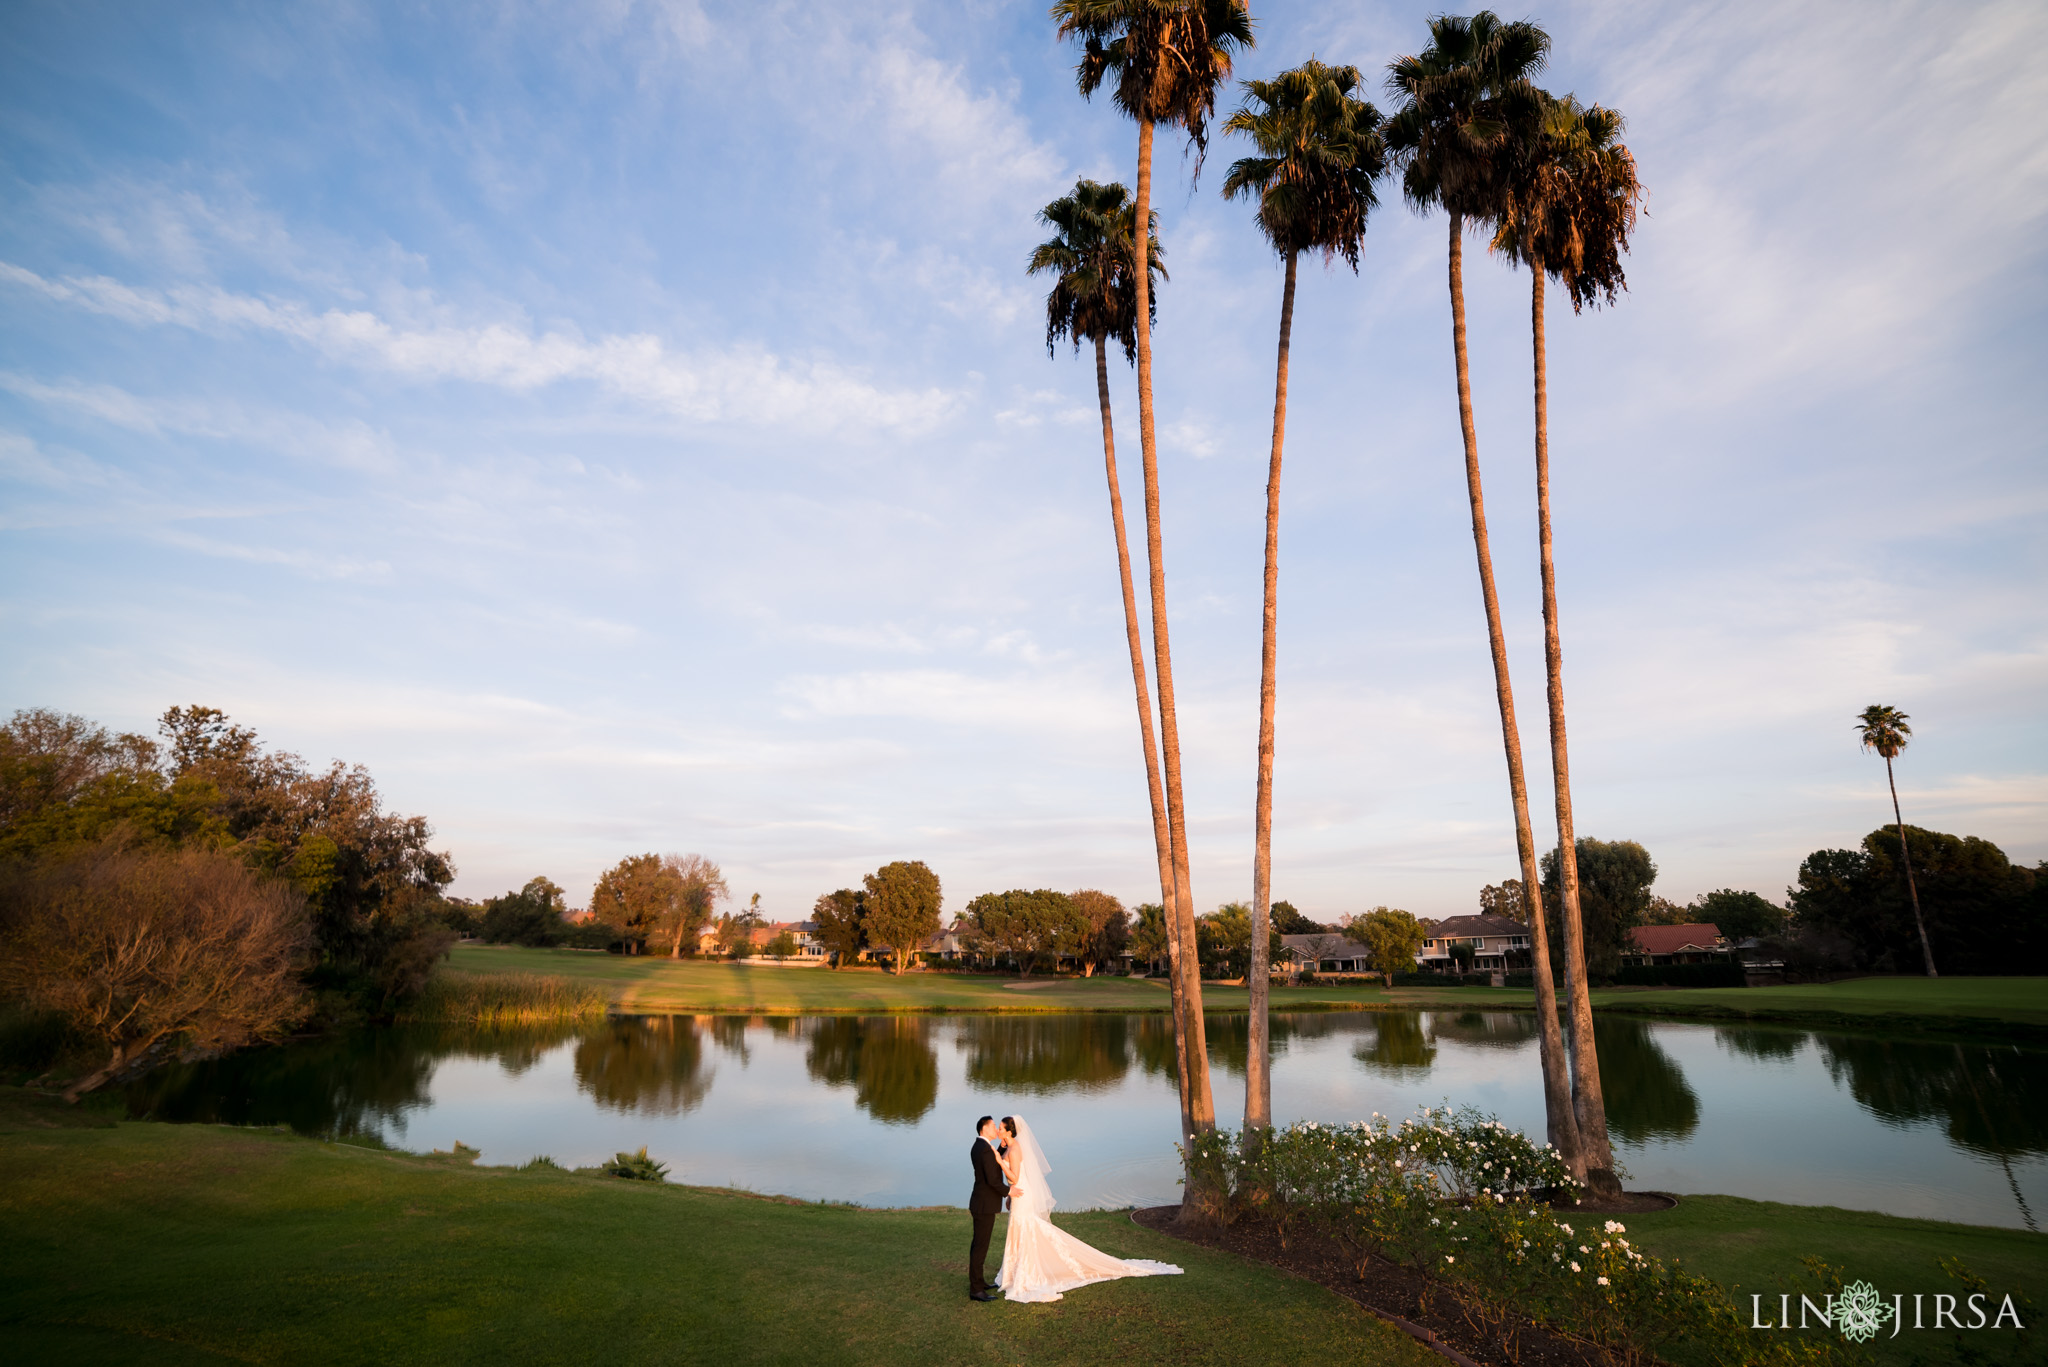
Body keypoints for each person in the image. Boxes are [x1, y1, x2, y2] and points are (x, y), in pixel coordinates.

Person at [992, 1114, 1181, 1303]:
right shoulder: (1009, 1146)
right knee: (1021, 1230)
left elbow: (1014, 1179)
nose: (998, 1131)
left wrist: (1001, 1163)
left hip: (1021, 1194)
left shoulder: (1015, 1149)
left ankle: (1026, 1274)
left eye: (1001, 1128)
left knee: (1026, 1230)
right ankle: (1016, 1272)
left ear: (1009, 1131)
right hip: (1018, 1195)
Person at [967, 1115, 1014, 1301]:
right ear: (984, 1128)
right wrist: (1010, 1191)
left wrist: (1002, 1145)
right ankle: (976, 1290)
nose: (996, 1128)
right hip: (983, 1205)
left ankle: (979, 1282)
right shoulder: (984, 1149)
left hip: (981, 1203)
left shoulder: (981, 1146)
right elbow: (993, 1180)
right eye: (993, 1125)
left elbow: (993, 1160)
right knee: (980, 1247)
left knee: (979, 1246)